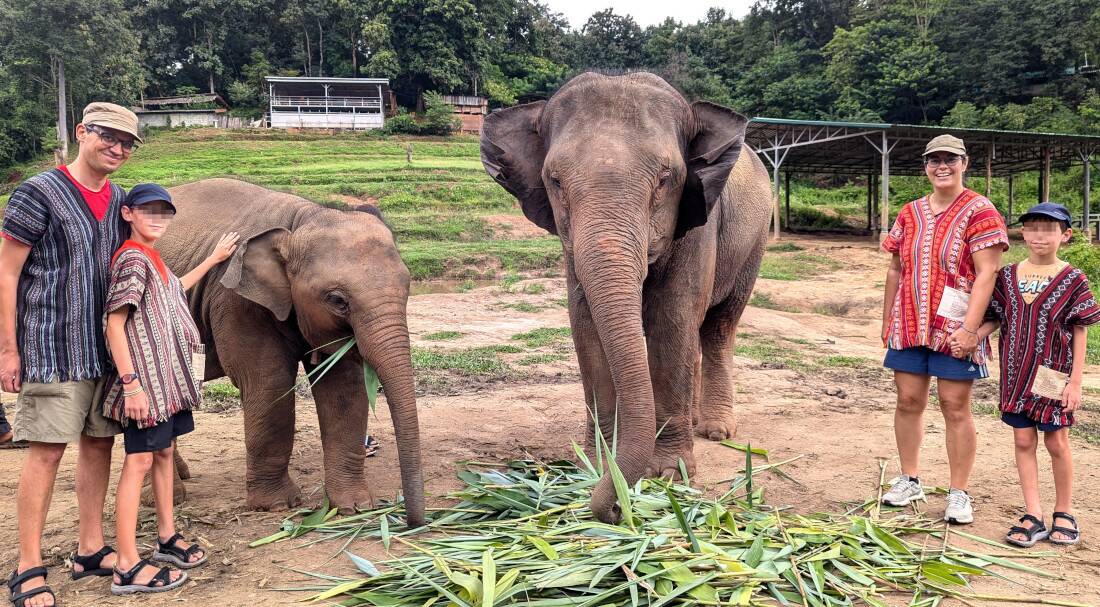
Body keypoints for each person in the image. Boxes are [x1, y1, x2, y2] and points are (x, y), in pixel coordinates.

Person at [2, 103, 141, 607]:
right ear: (82, 132)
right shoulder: (38, 192)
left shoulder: (123, 200)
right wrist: (8, 350)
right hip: (51, 346)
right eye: (109, 137)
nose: (118, 148)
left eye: (128, 143)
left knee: (99, 446)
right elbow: (7, 274)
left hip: (103, 351)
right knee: (46, 451)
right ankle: (27, 565)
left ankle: (89, 548)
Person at [102, 184, 238, 595]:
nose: (158, 219)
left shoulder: (152, 259)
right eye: (149, 211)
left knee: (163, 454)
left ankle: (166, 537)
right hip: (145, 384)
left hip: (165, 384)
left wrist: (213, 259)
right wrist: (131, 385)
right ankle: (126, 564)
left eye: (165, 213)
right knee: (139, 464)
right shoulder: (130, 260)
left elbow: (175, 288)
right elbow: (114, 323)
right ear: (128, 214)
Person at [879, 134, 1008, 524]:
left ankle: (958, 492)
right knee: (908, 401)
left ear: (964, 163)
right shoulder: (910, 212)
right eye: (934, 160)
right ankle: (909, 478)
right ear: (926, 166)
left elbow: (988, 272)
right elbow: (895, 268)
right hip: (910, 322)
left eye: (950, 159)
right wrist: (888, 319)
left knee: (954, 405)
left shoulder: (980, 210)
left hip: (955, 327)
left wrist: (971, 330)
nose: (942, 167)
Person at [963, 203, 1099, 547]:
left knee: (1056, 441)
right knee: (1023, 440)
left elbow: (1080, 330)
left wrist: (1076, 381)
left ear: (1065, 236)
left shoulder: (1073, 279)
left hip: (1054, 374)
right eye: (1033, 228)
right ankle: (1033, 513)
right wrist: (973, 336)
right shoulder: (1007, 277)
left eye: (1049, 229)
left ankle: (1064, 512)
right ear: (1022, 233)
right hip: (1015, 373)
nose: (1040, 235)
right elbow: (995, 317)